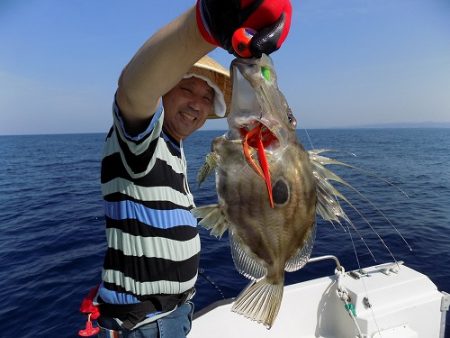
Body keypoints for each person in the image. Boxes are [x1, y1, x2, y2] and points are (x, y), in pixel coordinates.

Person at [93, 1, 292, 337]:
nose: (197, 104)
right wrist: (204, 23)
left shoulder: (173, 150)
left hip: (173, 314)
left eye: (207, 97)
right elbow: (132, 90)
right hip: (145, 324)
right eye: (187, 88)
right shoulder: (141, 143)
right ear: (164, 90)